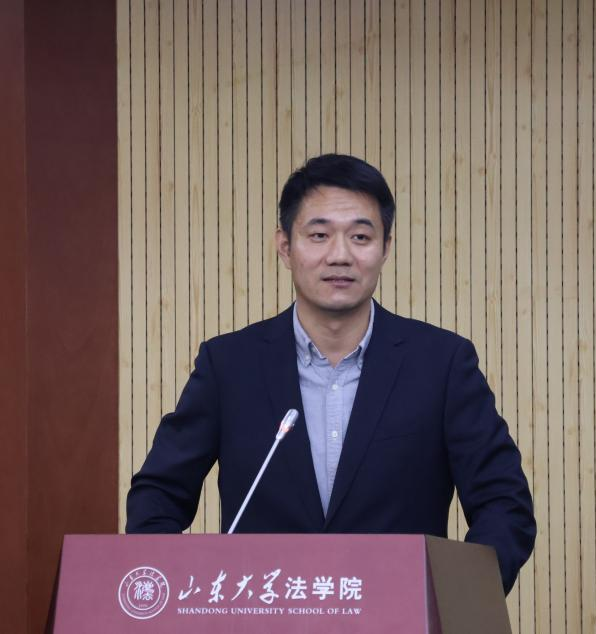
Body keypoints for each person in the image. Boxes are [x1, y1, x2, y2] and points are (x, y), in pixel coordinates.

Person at [127, 153, 535, 594]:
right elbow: (157, 496)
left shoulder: (441, 364)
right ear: (285, 247)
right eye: (319, 235)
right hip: (264, 613)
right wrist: (184, 595)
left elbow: (503, 503)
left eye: (360, 236)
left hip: (396, 614)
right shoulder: (229, 365)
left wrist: (456, 599)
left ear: (385, 247)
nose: (340, 256)